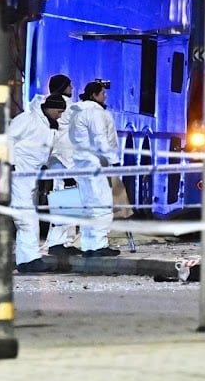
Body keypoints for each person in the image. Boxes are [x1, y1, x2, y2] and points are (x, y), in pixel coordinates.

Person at [8, 93, 67, 273]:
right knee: (26, 218)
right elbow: (7, 138)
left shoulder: (50, 127)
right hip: (18, 173)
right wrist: (9, 164)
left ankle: (27, 260)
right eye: (59, 111)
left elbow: (50, 154)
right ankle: (30, 259)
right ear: (49, 108)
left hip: (30, 177)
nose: (60, 115)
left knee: (27, 217)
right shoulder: (27, 119)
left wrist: (65, 172)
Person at [67, 80, 121, 257]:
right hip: (97, 164)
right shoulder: (94, 112)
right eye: (103, 94)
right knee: (102, 204)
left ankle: (89, 245)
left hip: (82, 163)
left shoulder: (77, 111)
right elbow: (100, 138)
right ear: (94, 95)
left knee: (89, 206)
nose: (105, 97)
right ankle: (98, 244)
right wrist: (114, 160)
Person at [43, 73, 82, 257]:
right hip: (65, 161)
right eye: (69, 85)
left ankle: (63, 241)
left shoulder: (50, 104)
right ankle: (59, 242)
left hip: (57, 160)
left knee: (64, 199)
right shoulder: (68, 107)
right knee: (65, 200)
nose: (72, 89)